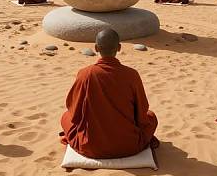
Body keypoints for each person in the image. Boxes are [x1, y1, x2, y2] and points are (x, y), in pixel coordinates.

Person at [60, 28, 158, 159]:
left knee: (65, 117)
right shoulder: (131, 75)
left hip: (91, 146)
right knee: (151, 116)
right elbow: (141, 112)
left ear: (96, 48)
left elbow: (73, 109)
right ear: (119, 48)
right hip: (129, 145)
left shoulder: (85, 74)